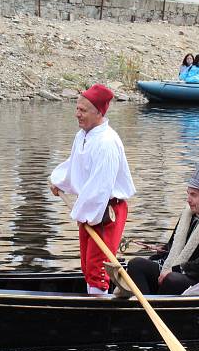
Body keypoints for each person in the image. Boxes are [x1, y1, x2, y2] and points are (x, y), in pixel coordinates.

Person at [49, 84, 136, 295]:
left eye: (83, 110)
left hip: (105, 211)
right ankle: (95, 296)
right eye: (77, 108)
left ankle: (98, 304)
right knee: (88, 265)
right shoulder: (83, 135)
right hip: (89, 208)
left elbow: (101, 186)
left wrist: (84, 212)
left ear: (98, 112)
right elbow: (75, 166)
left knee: (98, 266)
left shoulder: (106, 142)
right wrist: (60, 182)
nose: (77, 114)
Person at [110, 163, 199, 296]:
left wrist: (176, 269)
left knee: (171, 279)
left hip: (198, 279)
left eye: (194, 195)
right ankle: (145, 307)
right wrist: (155, 260)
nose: (188, 200)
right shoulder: (188, 215)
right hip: (176, 270)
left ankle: (156, 308)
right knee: (136, 264)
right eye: (188, 194)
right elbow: (171, 247)